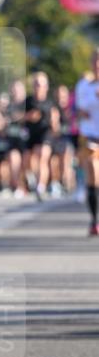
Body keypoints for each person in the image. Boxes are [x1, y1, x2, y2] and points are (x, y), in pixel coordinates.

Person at [75, 48, 99, 236]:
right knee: (93, 172)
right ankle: (94, 220)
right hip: (91, 136)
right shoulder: (83, 86)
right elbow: (78, 110)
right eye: (95, 61)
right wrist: (80, 113)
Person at [24, 72, 53, 199]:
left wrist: (54, 123)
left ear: (46, 87)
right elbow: (19, 116)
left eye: (41, 85)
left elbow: (55, 119)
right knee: (29, 161)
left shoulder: (50, 103)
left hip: (45, 134)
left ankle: (41, 187)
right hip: (31, 134)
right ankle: (32, 179)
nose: (38, 87)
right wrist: (28, 117)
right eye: (36, 84)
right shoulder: (28, 101)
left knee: (43, 157)